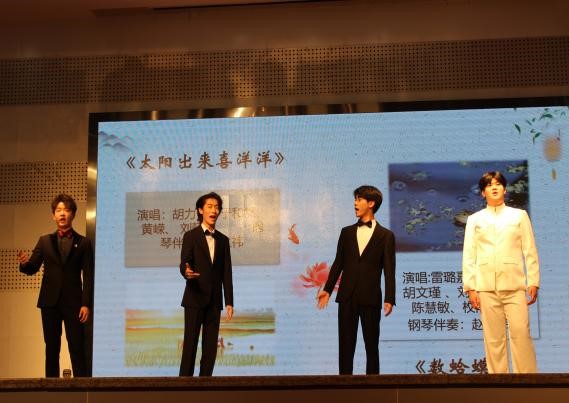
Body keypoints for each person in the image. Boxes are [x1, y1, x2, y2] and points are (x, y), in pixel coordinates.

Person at [462, 171, 540, 373]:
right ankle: (497, 381)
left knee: (521, 334)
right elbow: (469, 254)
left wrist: (533, 281)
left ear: (505, 189)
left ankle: (528, 380)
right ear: (483, 192)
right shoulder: (475, 219)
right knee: (493, 339)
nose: (494, 187)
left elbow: (529, 250)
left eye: (498, 184)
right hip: (486, 286)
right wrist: (470, 287)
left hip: (514, 284)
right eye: (489, 185)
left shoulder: (519, 215)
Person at [317, 185, 396, 375]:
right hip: (347, 296)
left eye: (359, 199)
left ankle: (374, 386)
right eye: (355, 199)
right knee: (345, 346)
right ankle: (343, 386)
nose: (355, 203)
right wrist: (327, 289)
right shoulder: (346, 232)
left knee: (372, 346)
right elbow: (338, 263)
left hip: (371, 296)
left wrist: (389, 298)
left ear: (371, 203)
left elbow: (389, 269)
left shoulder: (386, 236)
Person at [18, 194, 93, 377]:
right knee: (51, 347)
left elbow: (89, 276)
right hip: (49, 302)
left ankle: (82, 386)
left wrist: (86, 304)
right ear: (53, 215)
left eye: (66, 210)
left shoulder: (84, 243)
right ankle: (51, 386)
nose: (62, 214)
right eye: (58, 210)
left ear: (73, 214)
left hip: (74, 302)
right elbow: (32, 268)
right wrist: (24, 264)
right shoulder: (44, 241)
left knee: (76, 346)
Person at [179, 192, 234, 376]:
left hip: (215, 301)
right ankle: (183, 386)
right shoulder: (190, 236)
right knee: (190, 347)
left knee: (210, 349)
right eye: (209, 206)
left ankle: (206, 386)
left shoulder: (223, 240)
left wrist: (229, 301)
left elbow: (227, 272)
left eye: (217, 207)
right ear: (200, 210)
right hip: (194, 298)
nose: (214, 210)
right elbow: (184, 262)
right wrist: (186, 272)